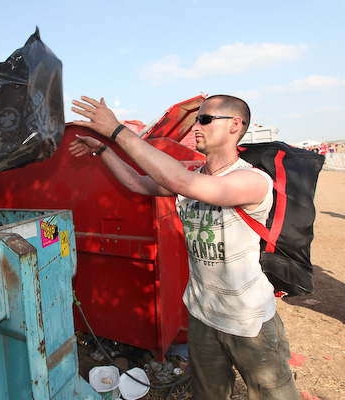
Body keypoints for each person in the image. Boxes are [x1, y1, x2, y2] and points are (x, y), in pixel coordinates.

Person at [69, 95, 298, 400]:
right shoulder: (195, 178)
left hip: (248, 320)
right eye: (195, 119)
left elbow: (182, 183)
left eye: (204, 119)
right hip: (202, 316)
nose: (196, 126)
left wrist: (116, 130)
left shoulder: (251, 180)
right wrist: (103, 149)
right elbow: (137, 183)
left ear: (234, 125)